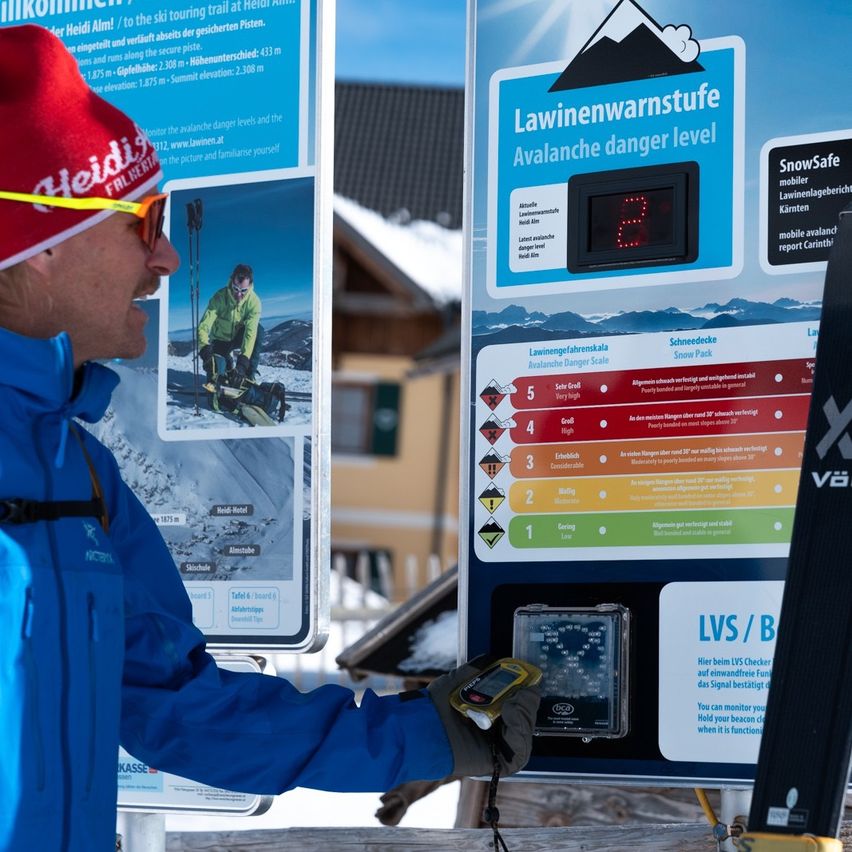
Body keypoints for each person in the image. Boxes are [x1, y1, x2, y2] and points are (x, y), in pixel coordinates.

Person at [0, 25, 539, 852]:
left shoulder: (80, 475)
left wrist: (428, 735)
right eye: (143, 221)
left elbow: (178, 707)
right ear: (41, 242)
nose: (168, 257)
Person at [198, 263, 262, 385]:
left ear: (250, 286)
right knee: (215, 379)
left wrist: (243, 361)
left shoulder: (254, 302)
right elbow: (204, 325)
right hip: (219, 341)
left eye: (243, 290)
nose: (239, 294)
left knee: (259, 331)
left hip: (238, 337)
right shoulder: (219, 298)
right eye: (236, 288)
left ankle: (248, 376)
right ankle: (226, 363)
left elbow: (250, 332)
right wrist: (204, 348)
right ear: (231, 282)